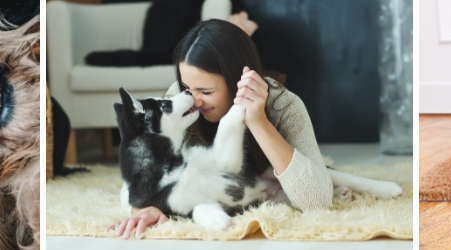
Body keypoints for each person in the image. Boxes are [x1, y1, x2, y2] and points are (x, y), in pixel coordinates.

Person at [109, 18, 333, 239]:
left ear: (238, 80)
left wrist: (258, 121)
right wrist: (144, 208)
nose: (193, 100)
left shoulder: (284, 105)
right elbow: (137, 179)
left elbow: (318, 201)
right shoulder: (181, 101)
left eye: (206, 92)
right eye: (186, 87)